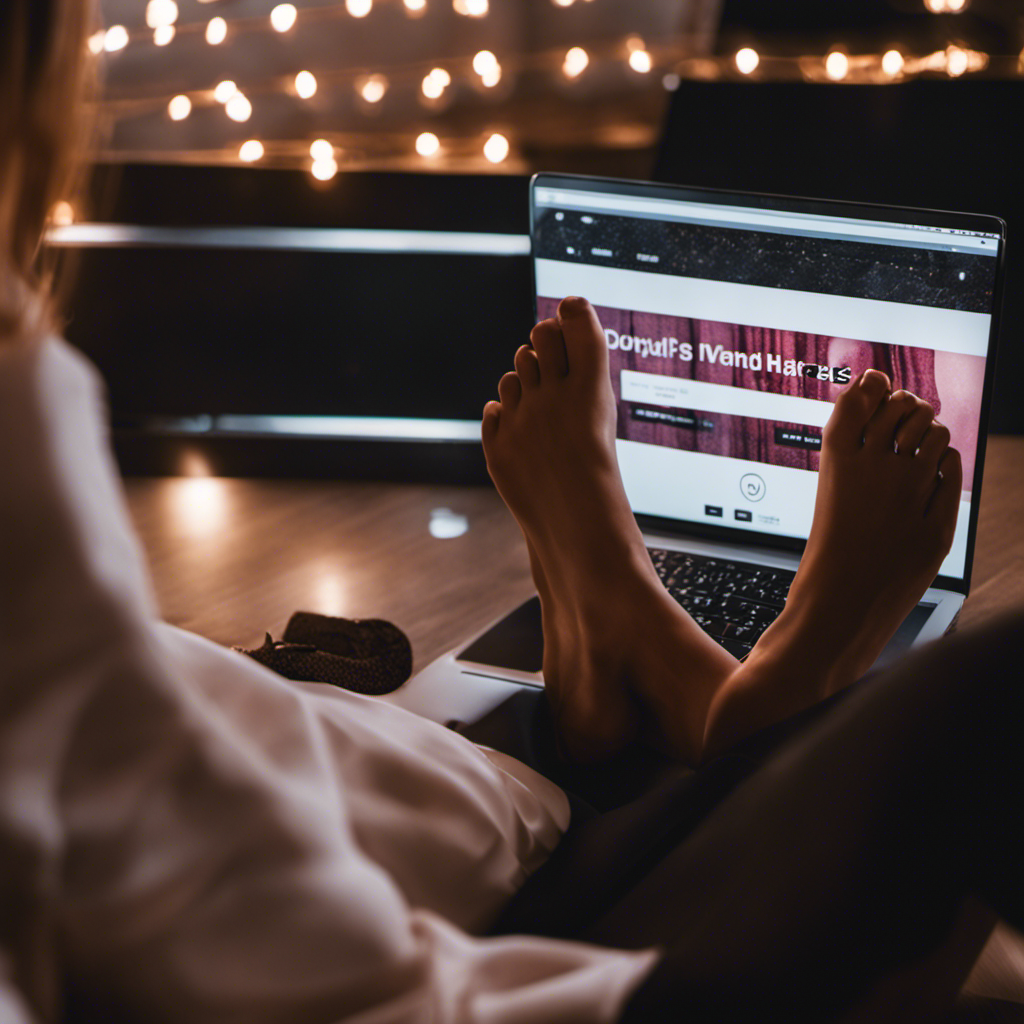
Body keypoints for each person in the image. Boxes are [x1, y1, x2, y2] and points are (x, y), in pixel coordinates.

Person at [2, 2, 1022, 1022]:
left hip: (310, 798)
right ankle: (763, 678)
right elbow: (337, 972)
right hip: (490, 923)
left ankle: (616, 626)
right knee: (997, 695)